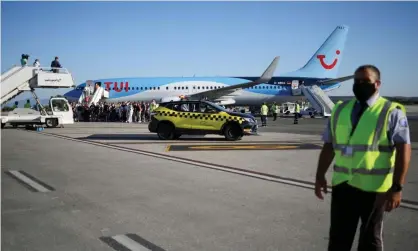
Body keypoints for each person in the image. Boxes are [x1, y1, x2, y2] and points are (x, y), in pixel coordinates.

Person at [314, 65, 412, 251]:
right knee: (338, 239)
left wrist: (398, 187)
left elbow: (404, 150)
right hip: (343, 185)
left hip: (375, 188)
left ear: (377, 84)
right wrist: (320, 175)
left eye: (365, 81)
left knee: (370, 240)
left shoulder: (391, 111)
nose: (359, 85)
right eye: (356, 81)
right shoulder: (340, 110)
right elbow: (330, 146)